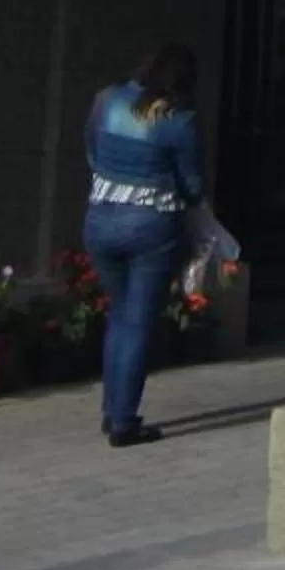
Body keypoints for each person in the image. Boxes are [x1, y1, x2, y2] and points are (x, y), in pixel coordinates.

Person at [82, 43, 203, 447]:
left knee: (119, 316)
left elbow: (92, 151)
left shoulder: (106, 100)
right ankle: (124, 422)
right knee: (138, 322)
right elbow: (192, 187)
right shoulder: (180, 120)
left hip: (100, 219)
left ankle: (110, 411)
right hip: (152, 227)